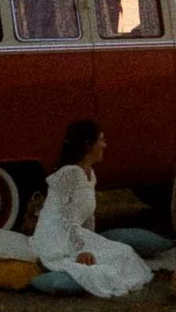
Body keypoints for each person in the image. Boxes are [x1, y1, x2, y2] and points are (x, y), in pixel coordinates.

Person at [30, 118, 155, 298]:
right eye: (101, 140)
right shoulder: (70, 174)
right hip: (55, 238)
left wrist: (92, 243)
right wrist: (81, 251)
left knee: (124, 252)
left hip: (74, 235)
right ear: (88, 146)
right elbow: (66, 220)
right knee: (102, 267)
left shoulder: (90, 174)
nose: (105, 145)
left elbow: (88, 219)